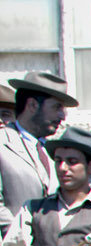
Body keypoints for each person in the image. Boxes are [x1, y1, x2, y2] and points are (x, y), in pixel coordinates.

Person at [0, 72, 74, 213]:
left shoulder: (52, 151)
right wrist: (18, 233)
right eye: (57, 107)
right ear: (32, 105)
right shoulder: (3, 143)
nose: (62, 116)